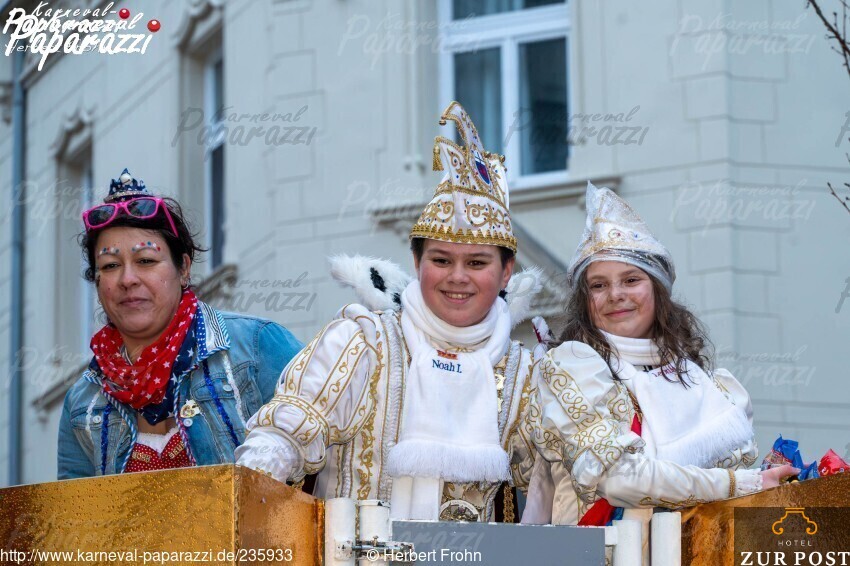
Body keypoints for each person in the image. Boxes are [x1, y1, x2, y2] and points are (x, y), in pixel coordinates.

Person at [236, 102, 538, 522]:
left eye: (476, 263)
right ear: (416, 263)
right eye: (441, 260)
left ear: (506, 272)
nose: (457, 277)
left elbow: (554, 477)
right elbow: (290, 428)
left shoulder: (527, 371)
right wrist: (245, 495)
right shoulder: (362, 340)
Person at [522, 182, 797, 532]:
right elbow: (620, 480)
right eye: (599, 285)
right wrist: (740, 484)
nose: (615, 294)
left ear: (657, 289)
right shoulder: (573, 366)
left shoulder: (703, 381)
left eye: (630, 280)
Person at [58, 169, 302, 478]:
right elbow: (75, 508)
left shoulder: (258, 346)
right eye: (110, 265)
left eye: (146, 261)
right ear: (96, 281)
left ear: (183, 268)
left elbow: (325, 466)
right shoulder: (83, 401)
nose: (127, 279)